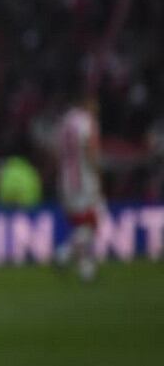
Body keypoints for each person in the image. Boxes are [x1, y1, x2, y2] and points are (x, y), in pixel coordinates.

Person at [56, 91, 106, 282]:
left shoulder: (65, 120)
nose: (97, 107)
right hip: (84, 179)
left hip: (65, 179)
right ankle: (64, 253)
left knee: (81, 224)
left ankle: (86, 268)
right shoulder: (87, 121)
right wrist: (97, 172)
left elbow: (57, 150)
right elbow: (90, 148)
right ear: (86, 102)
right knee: (93, 220)